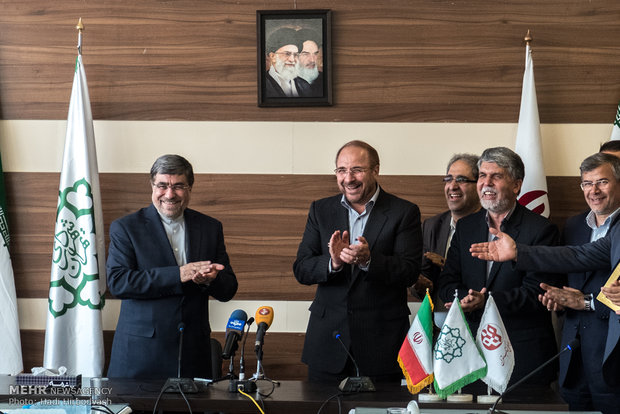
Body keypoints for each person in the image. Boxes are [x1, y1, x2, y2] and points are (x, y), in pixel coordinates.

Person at [293, 140, 422, 384]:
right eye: (341, 171)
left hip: (382, 346)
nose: (348, 178)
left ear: (376, 170)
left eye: (357, 170)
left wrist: (369, 261)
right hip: (327, 345)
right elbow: (302, 268)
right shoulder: (320, 210)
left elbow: (409, 271)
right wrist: (332, 263)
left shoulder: (404, 212)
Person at [436, 146, 562, 390]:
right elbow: (447, 282)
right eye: (482, 176)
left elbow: (539, 293)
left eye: (496, 176)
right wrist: (466, 298)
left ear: (516, 185)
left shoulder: (541, 230)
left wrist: (487, 300)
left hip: (521, 354)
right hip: (470, 353)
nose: (486, 183)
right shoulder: (466, 227)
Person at [106, 154, 238, 379]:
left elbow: (228, 289)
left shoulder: (210, 227)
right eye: (162, 185)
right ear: (152, 186)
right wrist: (179, 274)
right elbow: (119, 282)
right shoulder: (126, 227)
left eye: (178, 186)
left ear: (190, 188)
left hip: (193, 353)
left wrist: (211, 279)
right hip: (141, 356)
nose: (169, 194)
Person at [536, 153, 620, 413]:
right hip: (572, 355)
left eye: (602, 182)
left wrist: (584, 302)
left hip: (612, 358)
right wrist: (556, 299)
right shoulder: (573, 225)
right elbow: (565, 279)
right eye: (586, 183)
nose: (593, 191)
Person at [411, 154, 480, 325]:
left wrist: (448, 265)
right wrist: (416, 281)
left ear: (479, 185)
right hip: (438, 327)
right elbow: (425, 287)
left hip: (478, 327)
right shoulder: (432, 225)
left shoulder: (491, 226)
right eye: (448, 179)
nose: (453, 186)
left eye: (461, 180)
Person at [264, 27, 310, 98]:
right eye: (287, 54)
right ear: (272, 56)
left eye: (295, 55)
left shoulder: (305, 85)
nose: (292, 59)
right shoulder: (263, 84)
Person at [296, 29, 323, 97]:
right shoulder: (287, 83)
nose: (312, 60)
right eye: (305, 54)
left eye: (315, 53)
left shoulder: (324, 79)